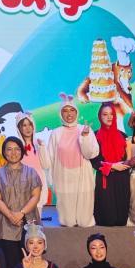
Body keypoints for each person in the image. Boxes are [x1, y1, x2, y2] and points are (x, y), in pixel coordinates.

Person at [46, 94, 99, 228]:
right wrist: (51, 180)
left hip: (83, 178)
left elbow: (90, 154)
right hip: (64, 179)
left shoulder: (84, 129)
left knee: (84, 221)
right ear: (60, 114)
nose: (69, 114)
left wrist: (85, 137)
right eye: (65, 110)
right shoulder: (56, 133)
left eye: (72, 110)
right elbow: (50, 158)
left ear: (76, 112)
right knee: (68, 222)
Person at [0, 137, 42, 260]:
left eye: (17, 149)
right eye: (9, 149)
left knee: (31, 261)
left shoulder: (31, 172)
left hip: (29, 222)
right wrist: (10, 216)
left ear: (22, 151)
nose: (13, 153)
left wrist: (21, 213)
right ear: (4, 152)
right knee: (8, 263)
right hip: (5, 225)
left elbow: (36, 196)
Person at [92, 101, 130, 227]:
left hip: (122, 177)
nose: (109, 117)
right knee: (107, 218)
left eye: (111, 114)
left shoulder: (123, 135)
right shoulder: (94, 136)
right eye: (105, 114)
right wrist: (112, 166)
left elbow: (127, 158)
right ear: (100, 117)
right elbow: (94, 161)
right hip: (105, 177)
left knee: (121, 219)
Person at [16, 113, 50, 212]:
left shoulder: (38, 144)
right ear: (19, 128)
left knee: (37, 218)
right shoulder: (16, 146)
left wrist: (42, 147)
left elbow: (46, 165)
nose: (28, 128)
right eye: (24, 125)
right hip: (23, 189)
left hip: (38, 187)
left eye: (30, 124)